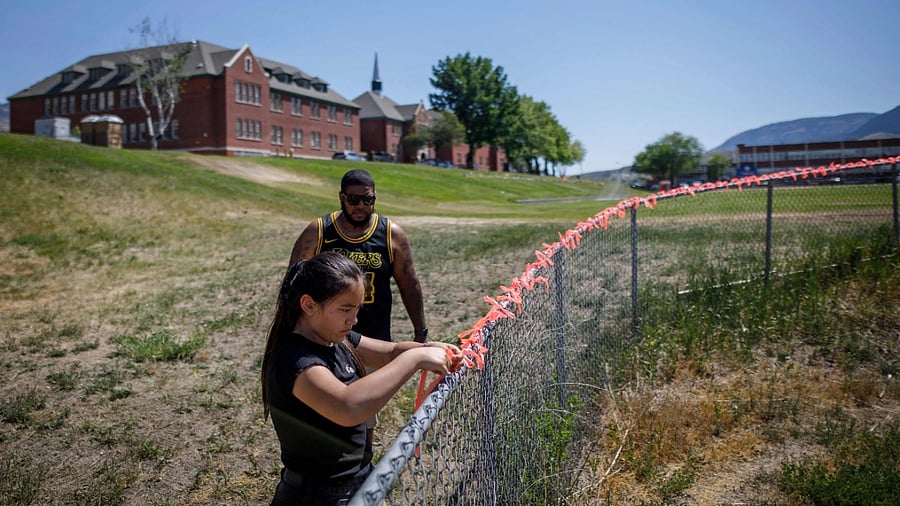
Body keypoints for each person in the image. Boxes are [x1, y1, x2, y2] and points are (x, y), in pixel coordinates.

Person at [261, 252, 462, 505]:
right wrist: (415, 360)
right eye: (345, 309)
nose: (353, 320)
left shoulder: (336, 338)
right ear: (309, 305)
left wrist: (426, 347)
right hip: (317, 496)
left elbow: (389, 352)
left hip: (355, 481)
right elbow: (348, 406)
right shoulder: (295, 360)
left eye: (357, 309)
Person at [289, 168, 428, 344]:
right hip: (325, 340)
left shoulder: (391, 234)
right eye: (354, 200)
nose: (361, 205)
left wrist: (420, 332)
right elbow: (293, 283)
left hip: (375, 338)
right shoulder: (318, 231)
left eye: (368, 200)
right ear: (341, 197)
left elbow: (409, 284)